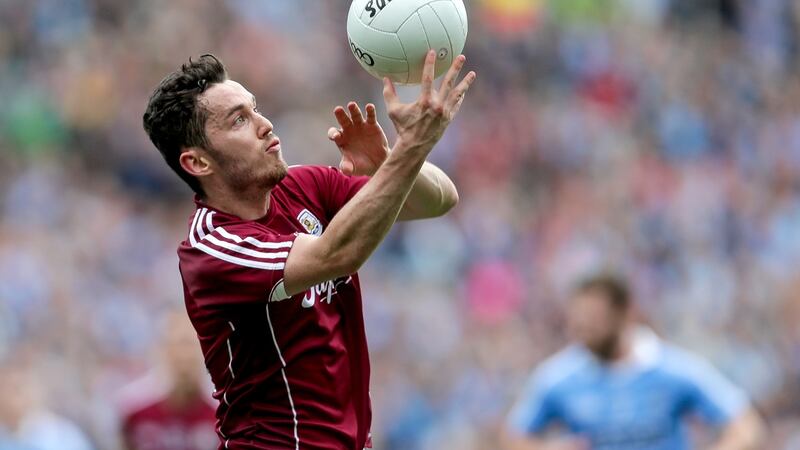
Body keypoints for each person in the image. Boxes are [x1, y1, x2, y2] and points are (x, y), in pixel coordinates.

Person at [142, 51, 476, 450]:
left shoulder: (304, 187)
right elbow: (337, 254)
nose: (265, 125)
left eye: (255, 109)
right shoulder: (213, 249)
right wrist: (410, 151)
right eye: (239, 120)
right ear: (197, 162)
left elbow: (438, 200)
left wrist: (389, 162)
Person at [504, 274, 766, 450]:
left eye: (594, 319)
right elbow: (513, 437)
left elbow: (745, 424)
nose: (583, 329)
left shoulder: (673, 369)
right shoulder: (558, 377)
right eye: (578, 321)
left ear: (623, 314)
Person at [118, 311, 217, 450]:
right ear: (163, 351)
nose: (184, 356)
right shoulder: (134, 408)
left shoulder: (220, 413)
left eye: (191, 346)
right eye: (177, 346)